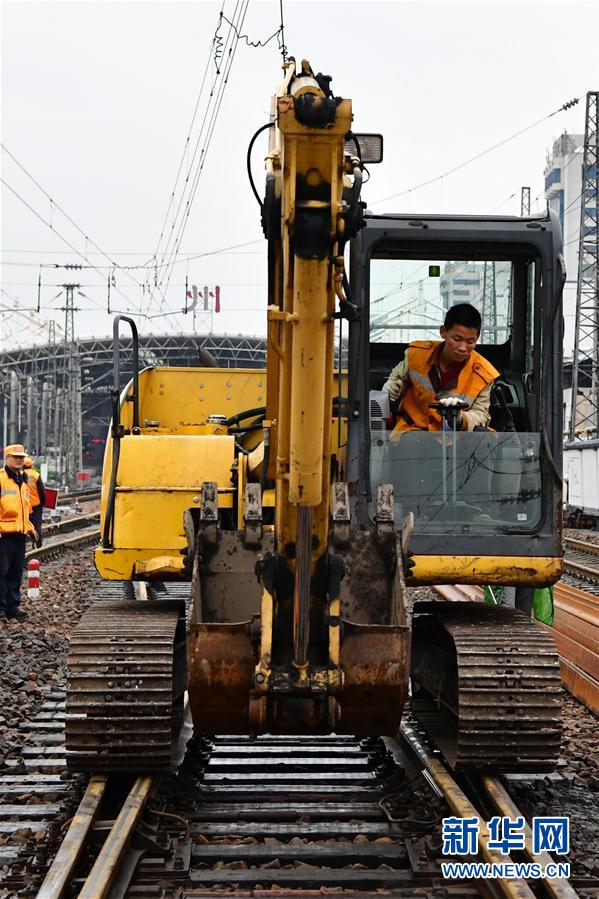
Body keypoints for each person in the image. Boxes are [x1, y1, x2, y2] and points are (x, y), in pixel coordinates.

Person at [382, 303, 499, 433]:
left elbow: (481, 415)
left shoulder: (484, 374)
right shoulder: (415, 355)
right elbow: (396, 380)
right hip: (410, 433)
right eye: (457, 339)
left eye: (470, 342)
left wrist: (460, 418)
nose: (462, 348)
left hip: (456, 441)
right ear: (443, 332)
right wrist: (392, 388)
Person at [0, 444, 37, 621]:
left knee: (15, 572)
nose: (19, 459)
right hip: (3, 535)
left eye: (21, 456)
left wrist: (30, 528)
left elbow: (24, 509)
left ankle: (12, 607)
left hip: (19, 535)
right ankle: (1, 608)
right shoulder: (1, 479)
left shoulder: (22, 480)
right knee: (1, 571)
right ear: (6, 458)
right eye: (15, 456)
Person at [24, 457, 46, 548]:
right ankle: (39, 544)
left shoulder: (18, 474)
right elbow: (41, 491)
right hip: (36, 505)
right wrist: (42, 502)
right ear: (31, 465)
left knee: (24, 526)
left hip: (24, 505)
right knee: (37, 525)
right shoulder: (36, 475)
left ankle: (23, 546)